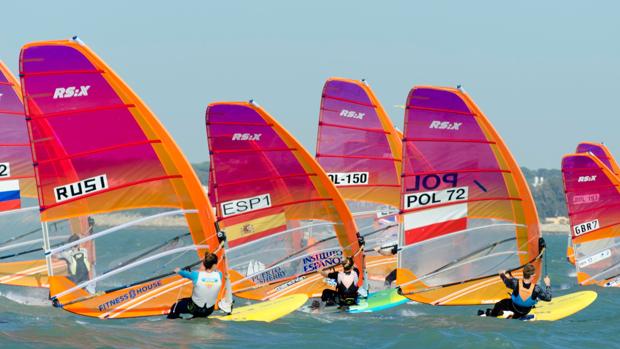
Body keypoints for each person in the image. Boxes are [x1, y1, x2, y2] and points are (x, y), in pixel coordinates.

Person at [479, 264, 552, 319]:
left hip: (513, 307)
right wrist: (548, 284)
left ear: (523, 273)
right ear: (533, 276)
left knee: (499, 304)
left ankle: (493, 315)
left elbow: (506, 282)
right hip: (525, 311)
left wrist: (501, 274)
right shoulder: (537, 289)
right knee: (532, 300)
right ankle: (516, 316)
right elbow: (548, 298)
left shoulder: (515, 282)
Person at [167, 252, 222, 319]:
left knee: (175, 306)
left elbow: (182, 273)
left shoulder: (196, 275)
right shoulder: (219, 275)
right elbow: (212, 272)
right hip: (209, 311)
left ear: (204, 264)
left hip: (194, 309)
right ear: (214, 265)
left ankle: (171, 321)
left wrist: (178, 270)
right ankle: (196, 317)